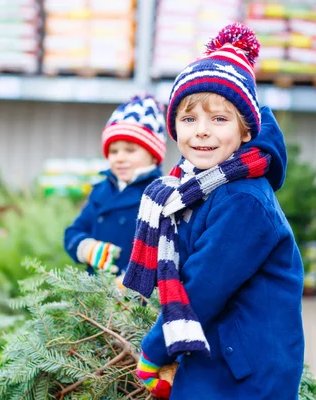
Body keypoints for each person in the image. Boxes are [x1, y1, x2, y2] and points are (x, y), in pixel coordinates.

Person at [123, 23, 305, 399]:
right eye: (189, 120)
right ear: (174, 128)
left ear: (246, 132)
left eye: (219, 119)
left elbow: (202, 286)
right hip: (219, 355)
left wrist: (153, 350)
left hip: (248, 373)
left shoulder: (244, 200)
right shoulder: (194, 188)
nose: (202, 131)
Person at [64, 94, 167, 280]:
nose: (119, 158)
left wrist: (131, 280)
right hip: (95, 295)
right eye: (113, 151)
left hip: (136, 300)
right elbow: (74, 231)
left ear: (153, 155)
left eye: (130, 150)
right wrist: (87, 248)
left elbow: (162, 251)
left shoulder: (160, 195)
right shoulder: (101, 191)